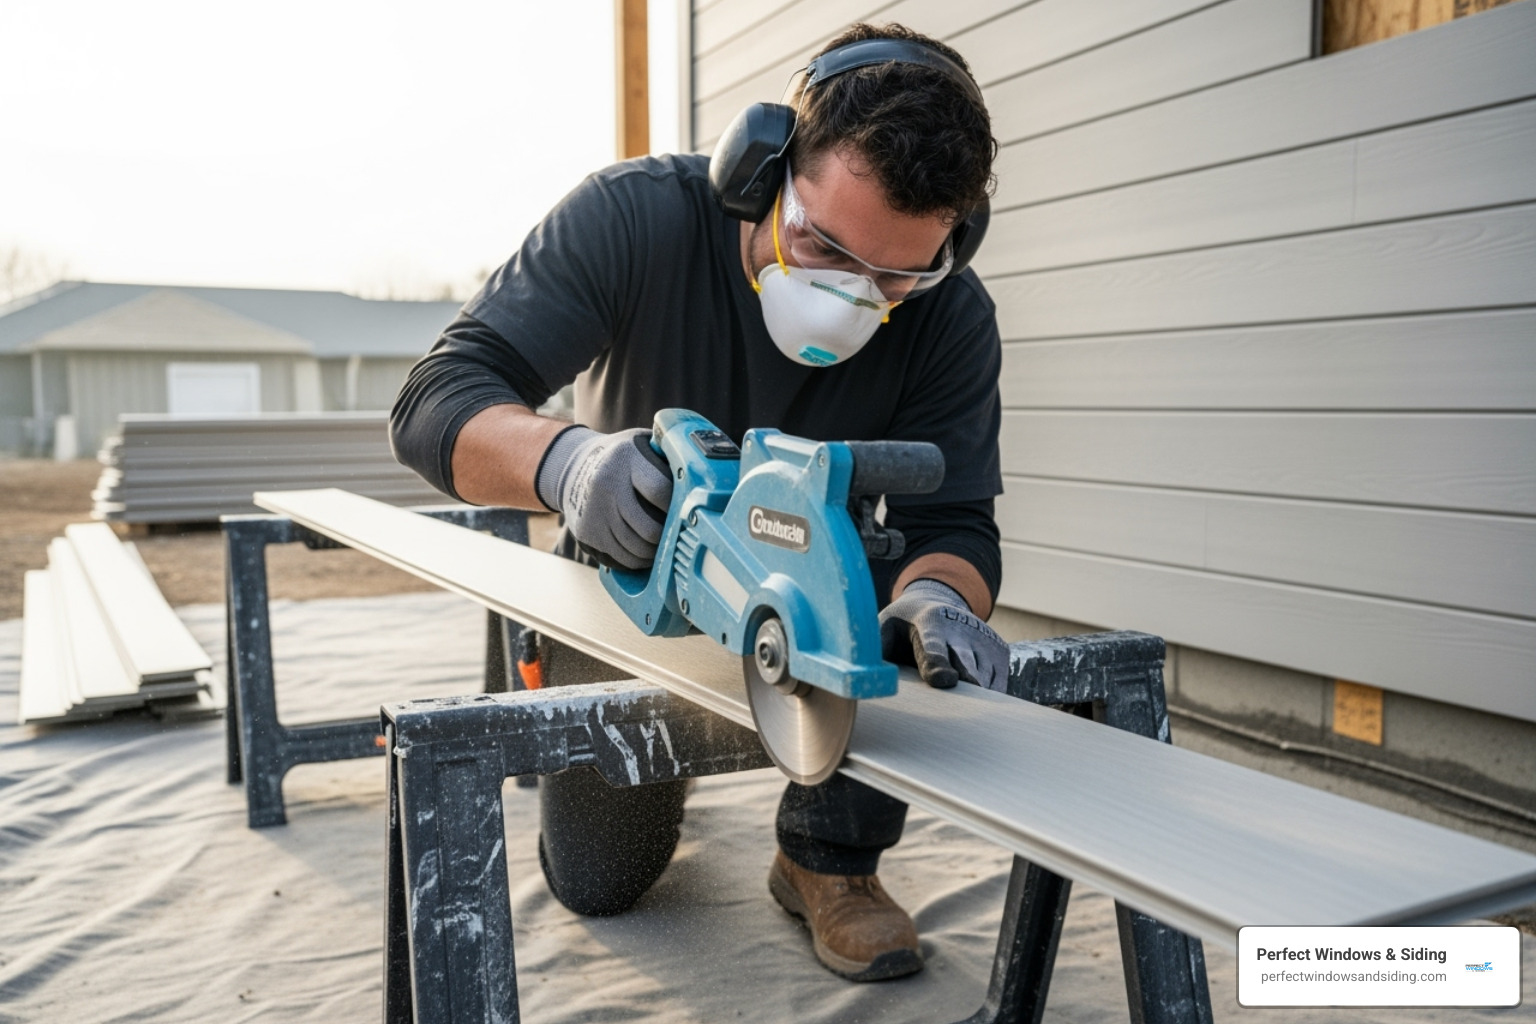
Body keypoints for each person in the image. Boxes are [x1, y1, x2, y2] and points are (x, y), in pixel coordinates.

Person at [390, 22, 1009, 983]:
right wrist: (565, 465)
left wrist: (940, 600)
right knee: (600, 880)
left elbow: (957, 524)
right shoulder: (634, 220)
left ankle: (826, 856)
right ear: (761, 169)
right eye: (825, 246)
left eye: (895, 274)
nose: (853, 295)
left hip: (813, 596)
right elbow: (436, 400)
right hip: (633, 564)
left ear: (948, 247)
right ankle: (629, 805)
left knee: (884, 588)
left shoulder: (950, 314)